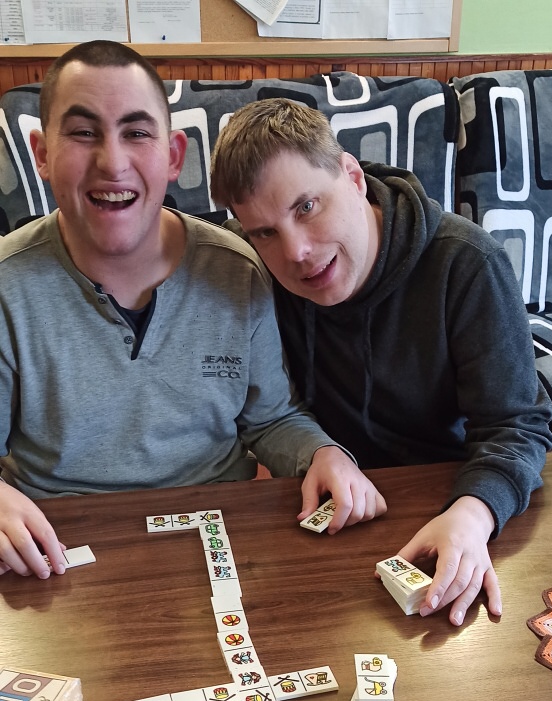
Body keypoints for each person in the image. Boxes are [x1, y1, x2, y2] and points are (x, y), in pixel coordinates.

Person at [0, 43, 381, 582]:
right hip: (54, 547)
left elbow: (271, 418)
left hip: (221, 534)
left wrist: (322, 453)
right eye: (83, 132)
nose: (113, 162)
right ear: (41, 153)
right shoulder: (7, 286)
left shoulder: (240, 269)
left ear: (174, 156)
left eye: (137, 133)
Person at [210, 98, 552, 626]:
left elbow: (516, 425)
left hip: (457, 492)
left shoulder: (468, 263)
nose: (296, 252)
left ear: (353, 178)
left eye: (307, 207)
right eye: (265, 232)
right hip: (331, 505)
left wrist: (474, 512)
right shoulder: (248, 266)